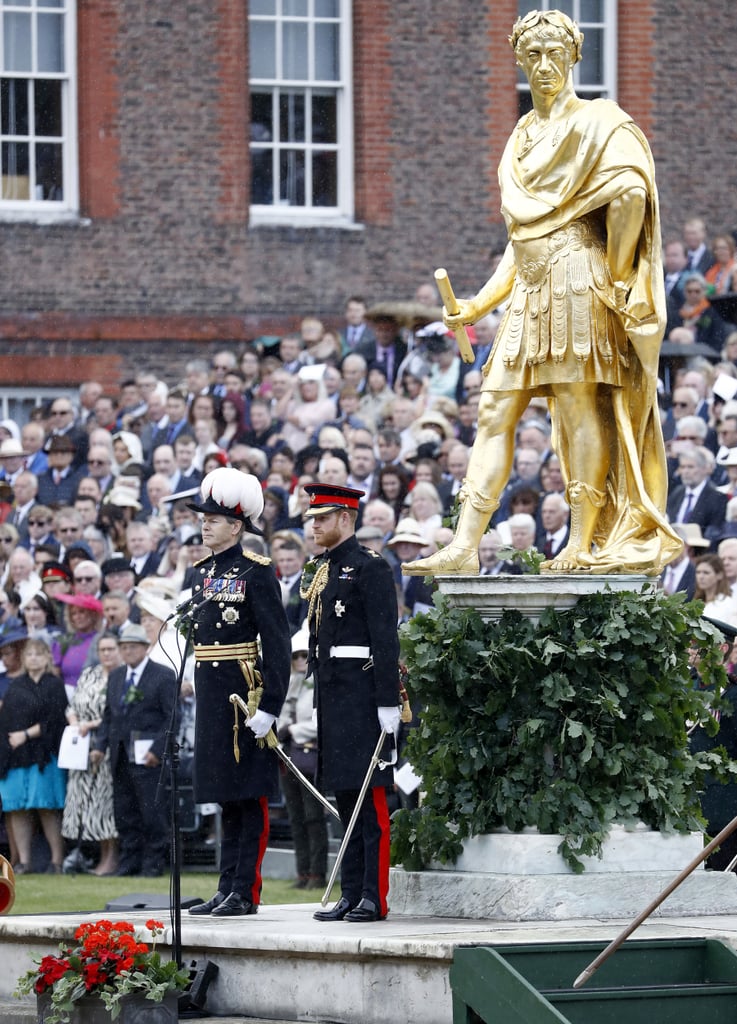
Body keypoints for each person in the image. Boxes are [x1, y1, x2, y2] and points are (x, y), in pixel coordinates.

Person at [405, 9, 680, 579]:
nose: (546, 65)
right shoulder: (522, 136)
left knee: (580, 405)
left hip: (581, 278)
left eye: (556, 53)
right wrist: (479, 303)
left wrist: (622, 273)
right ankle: (464, 543)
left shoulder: (601, 122)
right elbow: (520, 238)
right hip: (529, 290)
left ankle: (581, 540)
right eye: (534, 55)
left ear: (575, 57)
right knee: (491, 409)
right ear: (520, 61)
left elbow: (630, 193)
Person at [185, 467, 290, 918]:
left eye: (214, 517)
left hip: (243, 693)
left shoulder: (256, 572)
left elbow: (279, 643)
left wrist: (270, 706)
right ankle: (226, 884)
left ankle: (245, 889)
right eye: (203, 517)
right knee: (225, 794)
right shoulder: (202, 571)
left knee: (248, 793)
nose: (204, 523)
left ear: (237, 525)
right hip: (211, 692)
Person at [302, 483, 401, 923]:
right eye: (313, 518)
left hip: (363, 694)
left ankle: (372, 896)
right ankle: (350, 891)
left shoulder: (370, 568)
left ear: (346, 518)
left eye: (322, 517)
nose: (315, 525)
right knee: (346, 797)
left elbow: (385, 638)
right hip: (335, 691)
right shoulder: (322, 569)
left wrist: (387, 701)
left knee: (371, 800)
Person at [90, 623, 178, 877]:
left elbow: (172, 717)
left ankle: (153, 862)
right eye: (124, 647)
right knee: (125, 811)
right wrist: (100, 746)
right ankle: (129, 861)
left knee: (152, 811)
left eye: (132, 647)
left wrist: (158, 749)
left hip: (148, 755)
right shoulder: (117, 676)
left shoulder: (162, 675)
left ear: (145, 648)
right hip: (120, 754)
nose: (127, 652)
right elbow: (109, 716)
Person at [0, 637, 68, 873]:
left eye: (39, 654)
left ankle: (57, 861)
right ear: (24, 659)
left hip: (44, 755)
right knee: (17, 807)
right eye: (29, 654)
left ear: (48, 657)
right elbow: (7, 719)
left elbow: (56, 719)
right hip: (16, 757)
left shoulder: (54, 684)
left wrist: (27, 734)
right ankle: (25, 862)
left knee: (47, 807)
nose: (34, 658)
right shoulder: (16, 685)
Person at [62, 632, 122, 876]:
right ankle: (93, 855)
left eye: (111, 649)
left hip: (106, 746)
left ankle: (111, 859)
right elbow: (72, 706)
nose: (106, 654)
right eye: (102, 649)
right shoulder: (89, 674)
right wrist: (76, 722)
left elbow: (116, 712)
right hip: (81, 747)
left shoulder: (121, 676)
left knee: (104, 805)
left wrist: (92, 724)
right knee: (83, 804)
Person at [276, 627, 328, 890]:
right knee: (295, 816)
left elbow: (321, 722)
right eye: (295, 657)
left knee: (313, 815)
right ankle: (303, 872)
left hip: (309, 751)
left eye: (303, 656)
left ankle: (318, 873)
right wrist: (283, 728)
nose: (299, 662)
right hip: (288, 754)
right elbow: (282, 713)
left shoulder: (318, 681)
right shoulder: (290, 683)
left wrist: (293, 729)